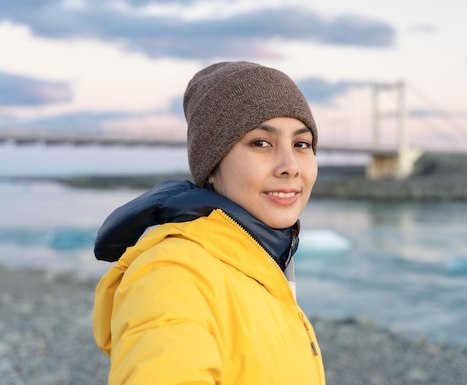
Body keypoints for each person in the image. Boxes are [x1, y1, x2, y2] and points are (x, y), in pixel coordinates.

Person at [92, 61, 327, 384]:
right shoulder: (173, 273)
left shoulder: (262, 261)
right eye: (261, 143)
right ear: (212, 166)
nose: (290, 166)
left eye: (301, 144)